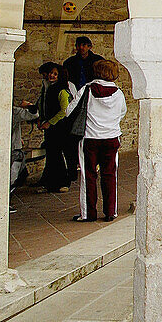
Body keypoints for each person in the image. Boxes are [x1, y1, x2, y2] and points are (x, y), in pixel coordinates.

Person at [66, 59, 127, 222]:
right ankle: (110, 212)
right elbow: (122, 112)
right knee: (110, 175)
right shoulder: (119, 93)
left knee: (89, 176)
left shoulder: (87, 90)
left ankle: (88, 214)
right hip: (111, 138)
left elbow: (69, 111)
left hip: (90, 138)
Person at [28, 62, 75, 193]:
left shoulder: (62, 91)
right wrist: (40, 120)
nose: (51, 75)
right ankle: (50, 184)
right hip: (51, 129)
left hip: (59, 128)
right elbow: (43, 106)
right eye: (51, 73)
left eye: (55, 74)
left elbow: (64, 111)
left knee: (57, 156)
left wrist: (49, 122)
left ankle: (63, 182)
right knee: (52, 157)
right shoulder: (48, 89)